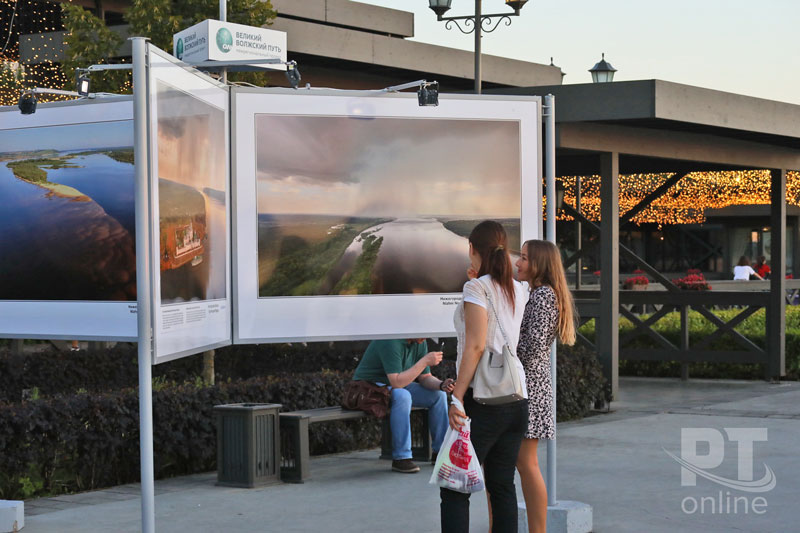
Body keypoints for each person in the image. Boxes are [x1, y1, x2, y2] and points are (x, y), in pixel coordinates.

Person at [441, 220, 529, 533]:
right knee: (502, 484)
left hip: (482, 398)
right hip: (515, 397)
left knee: (454, 485)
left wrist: (456, 397)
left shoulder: (476, 287)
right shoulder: (517, 288)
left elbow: (476, 345)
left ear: (474, 249)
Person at [513, 240, 577, 533]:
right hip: (533, 383)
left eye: (524, 258)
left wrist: (504, 347)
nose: (518, 263)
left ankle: (537, 530)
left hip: (531, 385)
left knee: (526, 463)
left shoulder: (542, 296)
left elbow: (533, 346)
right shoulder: (543, 295)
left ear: (539, 264)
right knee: (524, 462)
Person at [351, 339, 455, 473]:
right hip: (370, 389)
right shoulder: (390, 341)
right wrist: (424, 361)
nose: (425, 337)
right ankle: (401, 458)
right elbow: (396, 382)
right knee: (402, 396)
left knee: (438, 395)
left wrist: (441, 385)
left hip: (395, 386)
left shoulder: (419, 342)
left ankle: (440, 452)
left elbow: (425, 377)